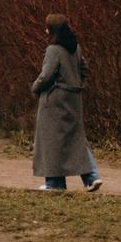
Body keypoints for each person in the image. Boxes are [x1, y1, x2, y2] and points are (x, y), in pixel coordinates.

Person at [32, 14, 99, 192]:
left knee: (51, 140)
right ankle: (92, 177)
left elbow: (46, 75)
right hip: (74, 99)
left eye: (47, 27)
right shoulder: (75, 48)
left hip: (54, 101)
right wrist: (74, 83)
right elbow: (83, 68)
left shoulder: (53, 50)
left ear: (53, 29)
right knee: (76, 138)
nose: (45, 30)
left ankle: (55, 183)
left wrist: (35, 87)